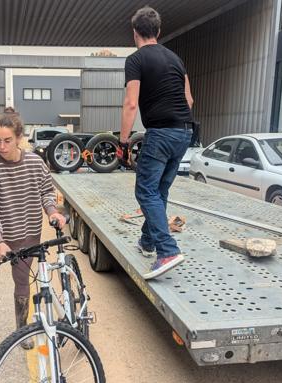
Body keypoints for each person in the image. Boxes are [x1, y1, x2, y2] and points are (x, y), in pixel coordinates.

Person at [0, 107, 66, 362]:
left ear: (19, 137)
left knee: (22, 285)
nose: (1, 146)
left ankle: (22, 332)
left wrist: (52, 211)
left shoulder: (34, 162)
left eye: (7, 140)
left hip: (26, 238)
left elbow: (46, 191)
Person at [118, 6, 195, 280]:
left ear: (135, 32)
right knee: (159, 191)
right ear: (158, 32)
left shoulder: (136, 60)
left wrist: (124, 140)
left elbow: (131, 103)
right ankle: (148, 242)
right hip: (185, 132)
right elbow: (189, 101)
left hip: (161, 133)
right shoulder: (175, 59)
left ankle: (168, 250)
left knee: (146, 192)